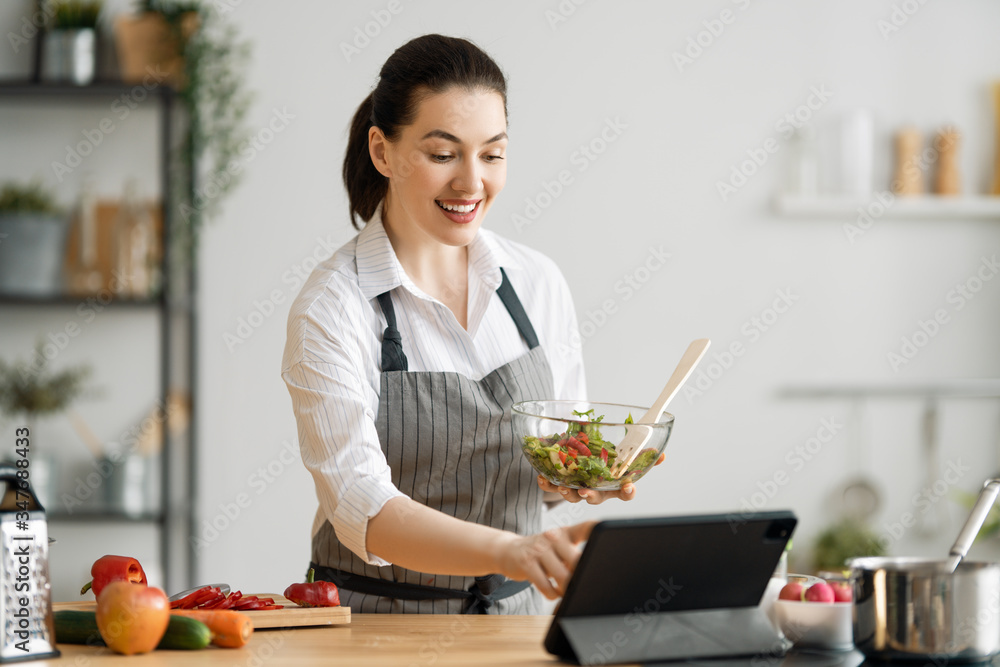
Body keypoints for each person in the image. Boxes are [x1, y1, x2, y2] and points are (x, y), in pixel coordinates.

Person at [281, 34, 659, 614]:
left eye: (492, 153)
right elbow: (362, 504)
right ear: (383, 152)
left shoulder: (536, 282)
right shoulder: (334, 306)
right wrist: (513, 552)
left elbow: (546, 460)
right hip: (376, 627)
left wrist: (576, 477)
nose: (471, 183)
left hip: (517, 621)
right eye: (442, 154)